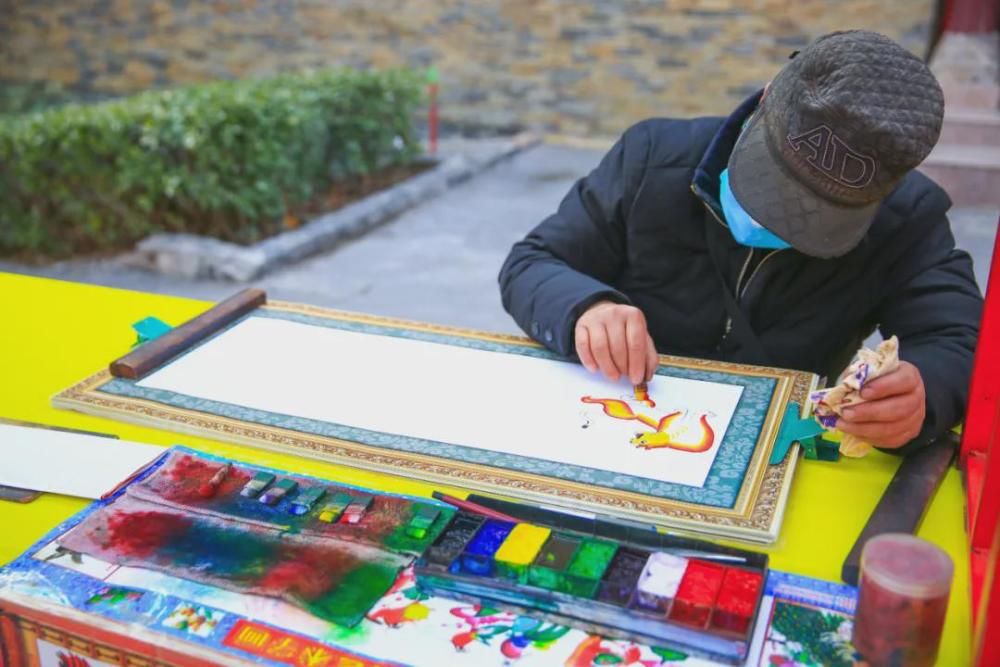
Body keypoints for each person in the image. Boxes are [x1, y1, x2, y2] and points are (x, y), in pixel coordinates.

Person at [498, 30, 983, 453]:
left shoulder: (907, 219)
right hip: (620, 417)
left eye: (819, 214)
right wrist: (584, 308)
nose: (778, 220)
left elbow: (960, 342)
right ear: (766, 99)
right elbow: (531, 263)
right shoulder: (652, 160)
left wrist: (924, 395)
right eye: (775, 182)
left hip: (779, 446)